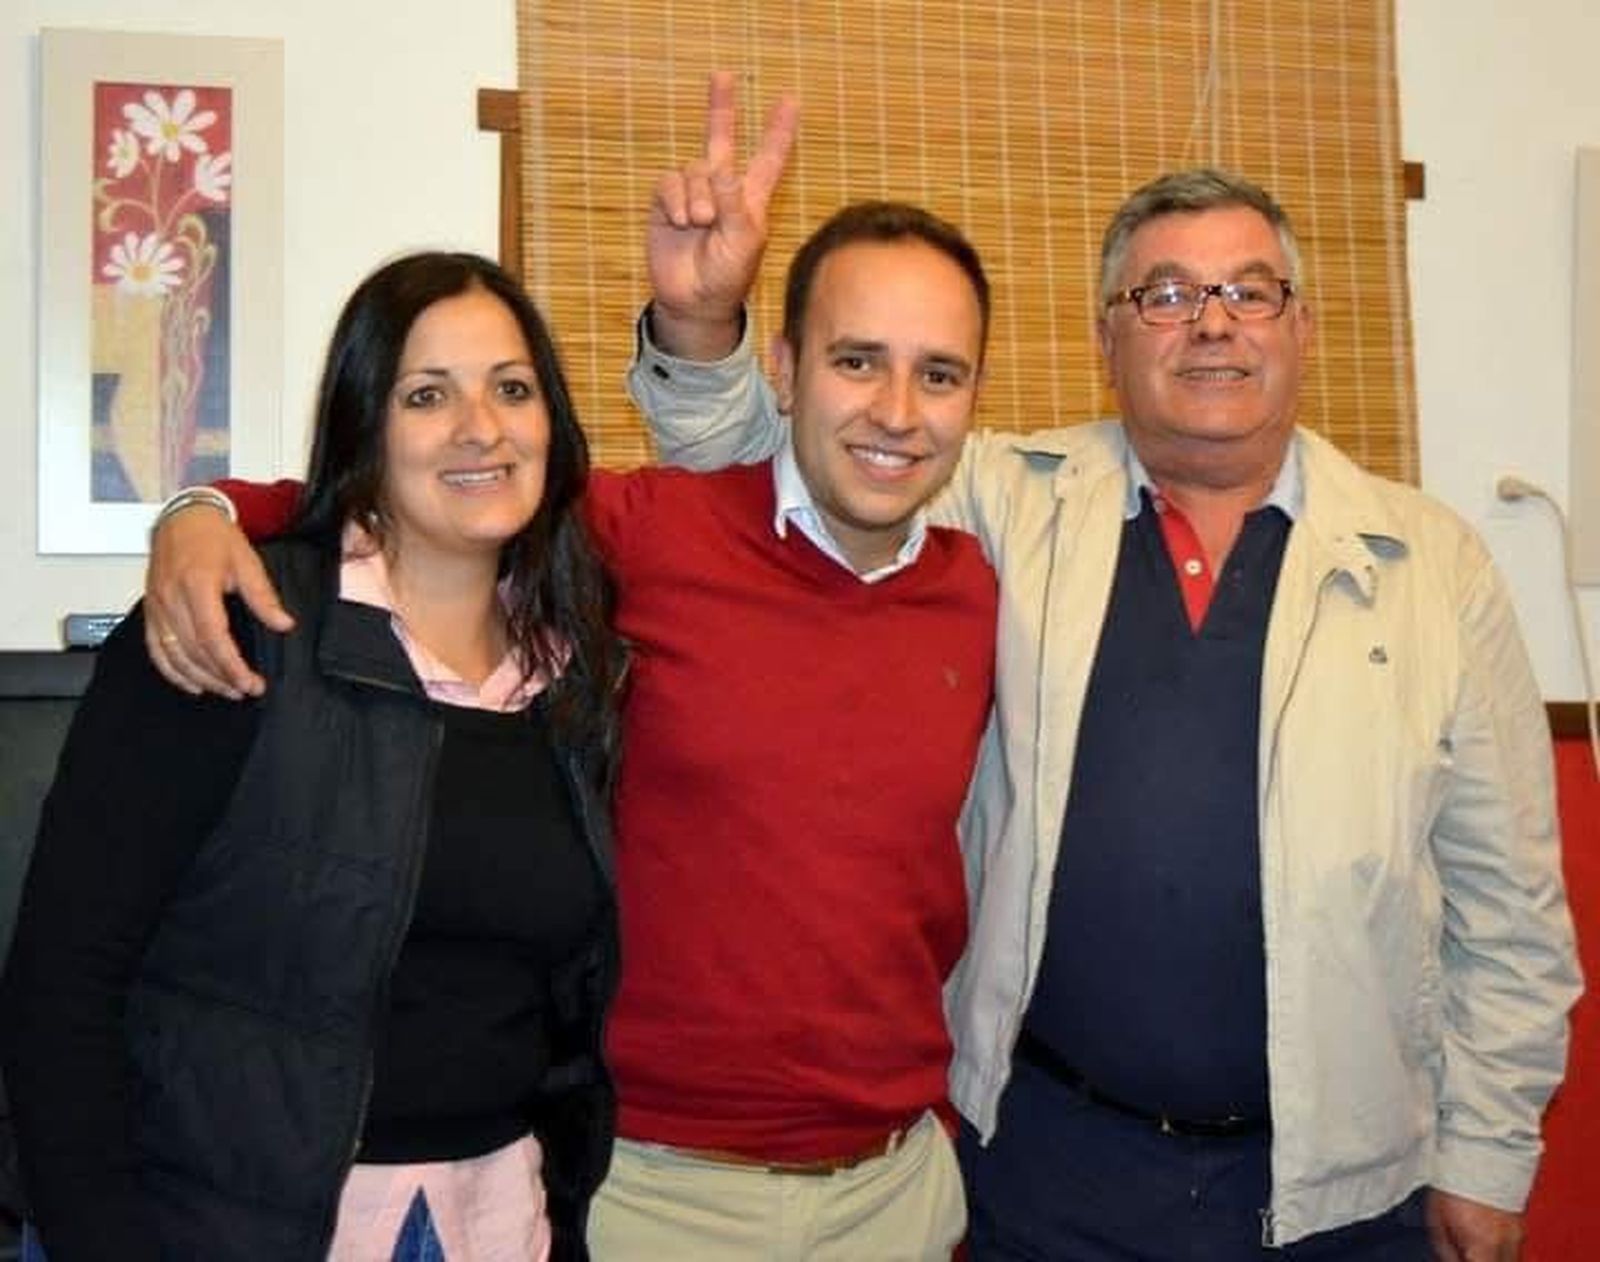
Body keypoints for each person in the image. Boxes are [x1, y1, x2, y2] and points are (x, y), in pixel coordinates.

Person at [623, 165, 1584, 1260]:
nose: (1212, 323)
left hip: (1340, 1195)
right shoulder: (997, 498)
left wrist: (1487, 1156)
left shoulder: (1432, 566)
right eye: (1165, 295)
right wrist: (700, 327)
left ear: (1303, 327)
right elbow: (782, 464)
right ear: (1105, 338)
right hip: (1044, 1165)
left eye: (1251, 290)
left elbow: (1507, 913)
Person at [132, 76, 998, 1262]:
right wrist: (201, 504)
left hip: (894, 1186)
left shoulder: (982, 586)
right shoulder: (653, 530)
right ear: (785, 369)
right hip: (654, 1188)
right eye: (857, 361)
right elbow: (415, 498)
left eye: (938, 374)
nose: (897, 411)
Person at [0, 252, 625, 1260]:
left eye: (511, 387)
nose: (481, 426)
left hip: (496, 1218)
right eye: (428, 394)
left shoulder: (577, 668)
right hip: (231, 1221)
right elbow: (61, 982)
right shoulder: (236, 628)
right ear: (364, 426)